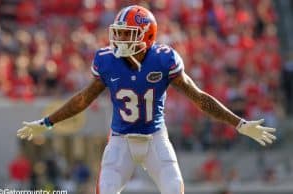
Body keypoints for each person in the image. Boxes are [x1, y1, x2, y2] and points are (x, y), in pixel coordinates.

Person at [17, 5, 277, 194]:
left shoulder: (164, 60)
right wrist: (48, 122)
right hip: (120, 142)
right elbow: (83, 99)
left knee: (175, 189)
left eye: (127, 33)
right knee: (105, 190)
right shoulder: (107, 60)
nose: (118, 39)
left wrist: (240, 124)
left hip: (156, 139)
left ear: (147, 36)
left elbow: (199, 99)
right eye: (118, 32)